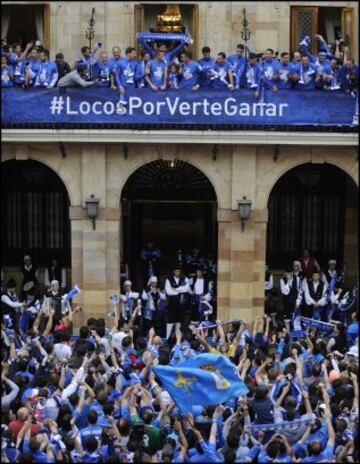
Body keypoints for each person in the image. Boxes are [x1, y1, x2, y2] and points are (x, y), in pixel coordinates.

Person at [165, 264, 190, 338]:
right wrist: (180, 290)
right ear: (174, 272)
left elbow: (186, 289)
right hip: (172, 303)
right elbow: (169, 292)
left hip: (181, 304)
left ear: (180, 272)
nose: (177, 273)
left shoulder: (185, 279)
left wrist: (176, 289)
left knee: (179, 320)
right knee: (170, 320)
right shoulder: (168, 279)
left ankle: (177, 337)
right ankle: (167, 337)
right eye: (176, 271)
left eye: (178, 271)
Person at [279, 261, 304, 330]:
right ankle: (288, 331)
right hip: (287, 301)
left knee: (295, 317)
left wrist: (298, 301)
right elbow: (285, 292)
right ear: (285, 273)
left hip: (295, 301)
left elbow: (300, 291)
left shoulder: (297, 278)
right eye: (288, 273)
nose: (290, 274)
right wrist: (288, 283)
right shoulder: (282, 280)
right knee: (287, 317)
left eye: (291, 272)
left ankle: (295, 331)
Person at [115, 46, 138, 114]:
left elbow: (136, 77)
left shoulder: (135, 63)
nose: (135, 55)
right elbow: (116, 76)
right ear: (128, 53)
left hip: (131, 88)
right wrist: (120, 86)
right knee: (121, 107)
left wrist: (144, 74)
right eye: (133, 53)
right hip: (123, 88)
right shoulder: (120, 63)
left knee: (130, 108)